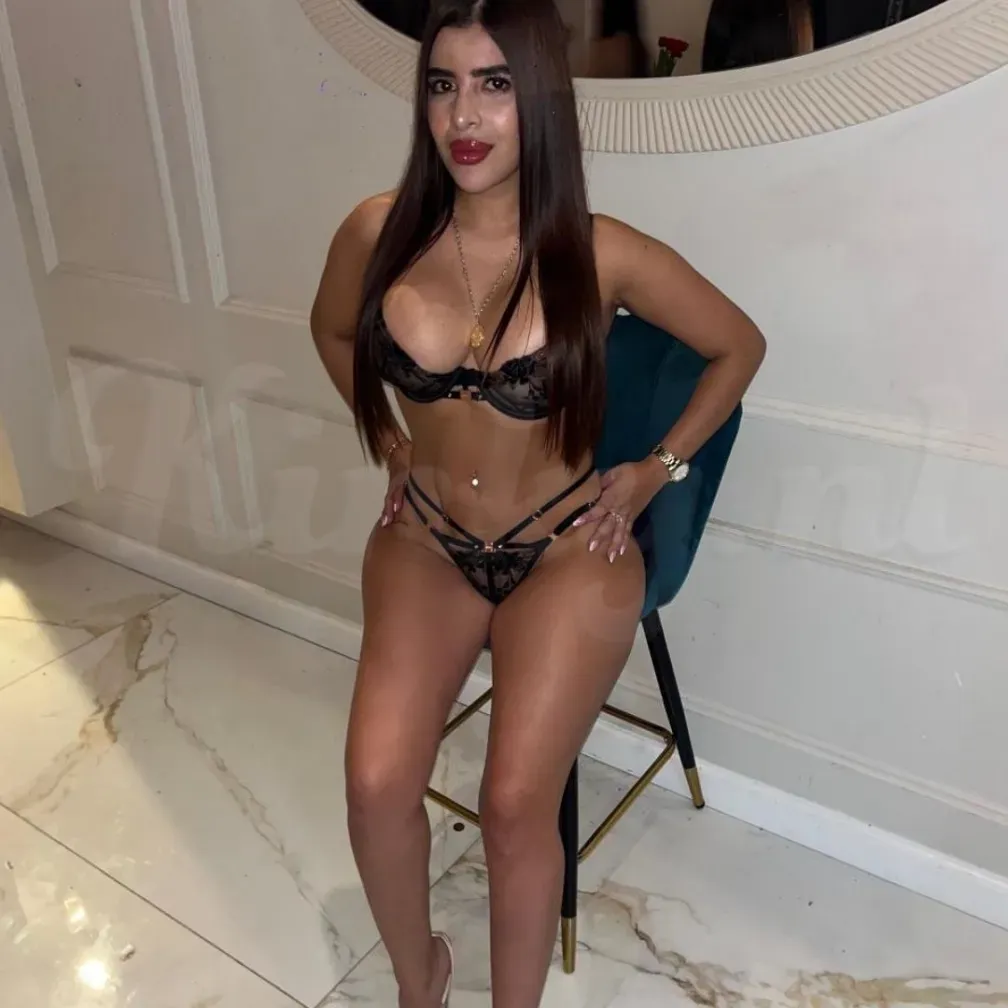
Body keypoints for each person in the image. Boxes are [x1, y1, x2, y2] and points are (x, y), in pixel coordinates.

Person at [310, 1, 765, 1005]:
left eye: (496, 84)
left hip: (566, 551)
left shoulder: (603, 254)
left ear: (542, 100)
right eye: (443, 85)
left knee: (516, 806)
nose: (463, 115)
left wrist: (655, 469)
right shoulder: (377, 232)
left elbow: (739, 346)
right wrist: (389, 439)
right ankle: (420, 980)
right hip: (426, 543)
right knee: (376, 784)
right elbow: (333, 332)